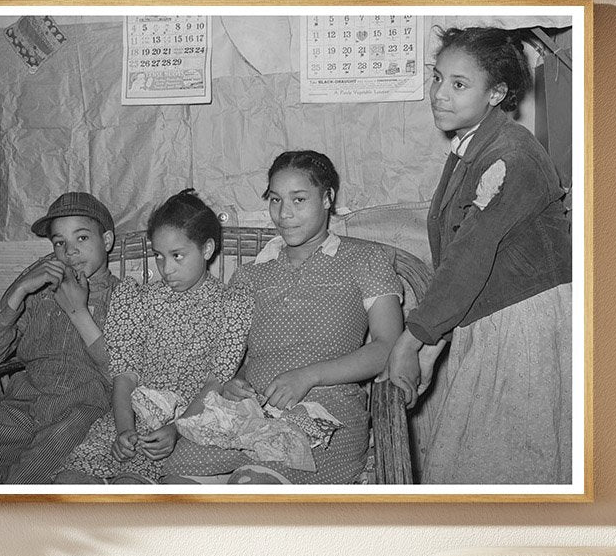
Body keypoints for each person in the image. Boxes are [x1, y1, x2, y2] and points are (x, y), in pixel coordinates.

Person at [386, 26, 573, 484]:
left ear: (497, 93)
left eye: (458, 84)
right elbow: (460, 259)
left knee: (497, 471)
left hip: (525, 327)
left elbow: (469, 258)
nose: (439, 95)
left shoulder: (509, 155)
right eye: (437, 78)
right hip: (493, 320)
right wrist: (432, 347)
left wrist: (411, 342)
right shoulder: (473, 147)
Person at [164, 150, 404, 485]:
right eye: (275, 200)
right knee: (175, 483)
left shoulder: (365, 259)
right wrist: (236, 383)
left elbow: (389, 345)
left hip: (323, 411)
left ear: (327, 198)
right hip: (251, 413)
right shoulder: (250, 275)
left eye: (299, 199)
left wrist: (309, 376)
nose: (284, 213)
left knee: (253, 486)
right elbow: (240, 357)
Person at [54, 190, 251, 484]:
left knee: (131, 489)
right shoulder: (137, 300)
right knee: (69, 483)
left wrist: (177, 429)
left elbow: (216, 381)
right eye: (158, 256)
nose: (166, 268)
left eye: (177, 256)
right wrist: (123, 429)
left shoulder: (232, 305)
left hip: (186, 422)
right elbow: (124, 375)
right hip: (128, 418)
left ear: (207, 249)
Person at [0, 192, 120, 484]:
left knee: (28, 479)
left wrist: (78, 311)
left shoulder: (126, 298)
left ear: (106, 241)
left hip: (81, 411)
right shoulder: (40, 294)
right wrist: (17, 292)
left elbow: (124, 374)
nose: (70, 252)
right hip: (21, 404)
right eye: (60, 243)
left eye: (81, 238)